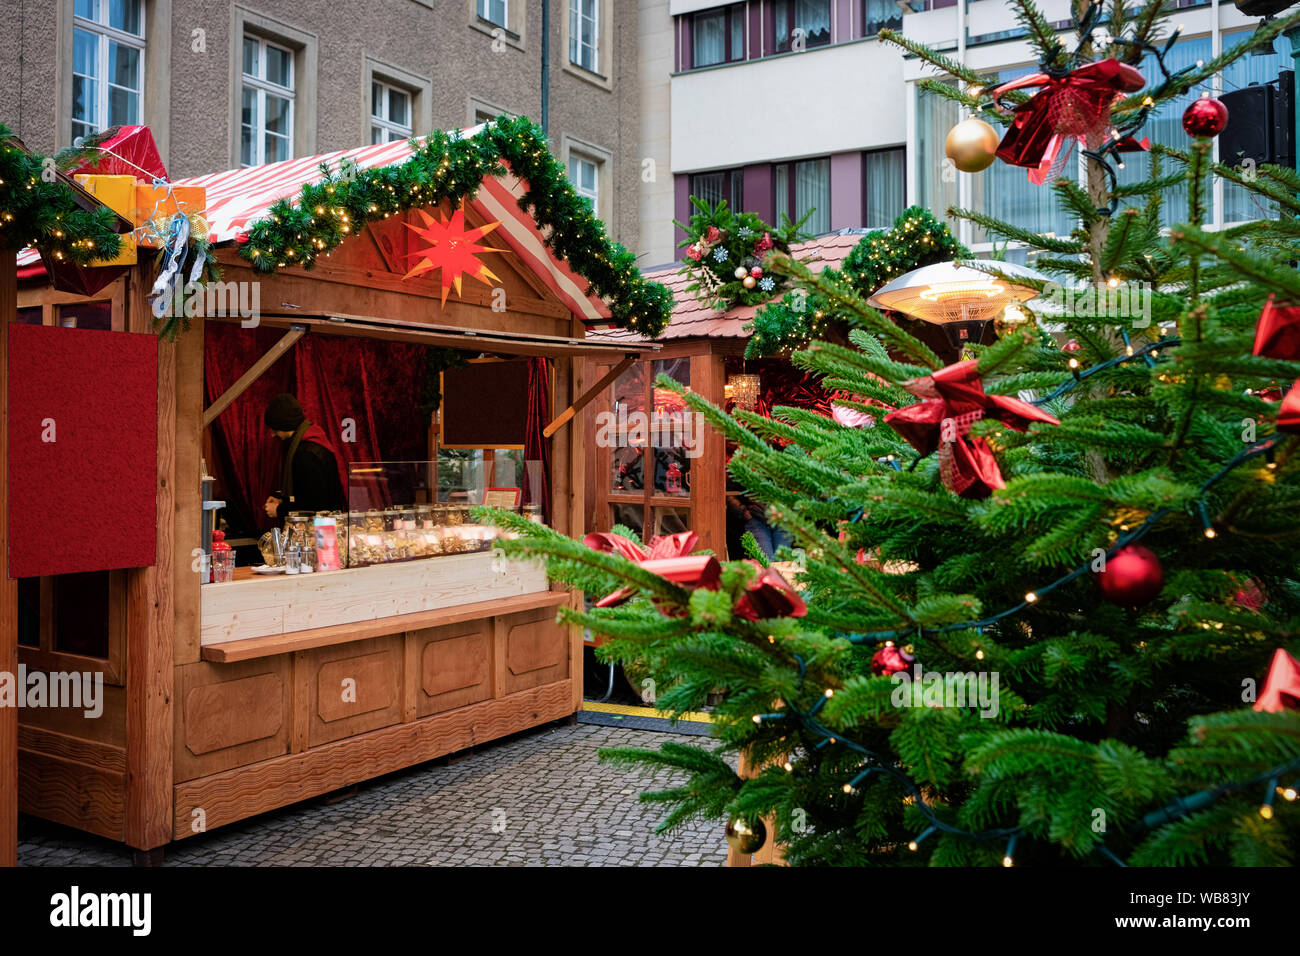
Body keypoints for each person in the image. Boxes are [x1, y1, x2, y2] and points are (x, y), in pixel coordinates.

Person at [262, 393, 346, 522]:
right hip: (326, 524)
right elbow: (308, 494)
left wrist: (279, 510)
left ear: (285, 425)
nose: (273, 434)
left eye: (275, 429)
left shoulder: (306, 455)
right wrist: (282, 501)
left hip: (320, 530)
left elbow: (314, 505)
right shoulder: (311, 443)